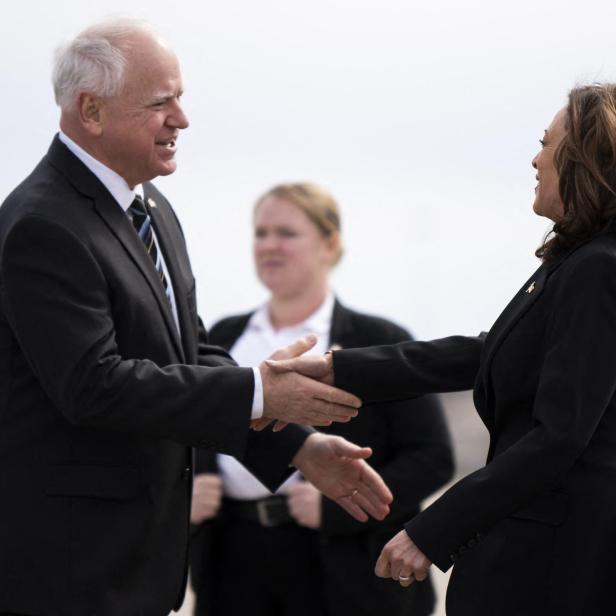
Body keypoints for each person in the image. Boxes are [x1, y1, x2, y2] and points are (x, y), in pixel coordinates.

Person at [0, 20, 393, 616]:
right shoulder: (43, 225)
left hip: (141, 570)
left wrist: (294, 445)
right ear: (91, 110)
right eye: (161, 103)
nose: (182, 119)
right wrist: (260, 392)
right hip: (71, 573)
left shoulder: (152, 208)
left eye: (180, 98)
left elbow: (189, 357)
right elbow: (94, 386)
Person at [270, 84, 616, 616]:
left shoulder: (598, 269)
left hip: (557, 569)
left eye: (547, 144)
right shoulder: (577, 263)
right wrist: (341, 369)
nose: (535, 157)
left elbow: (559, 437)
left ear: (585, 159)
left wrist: (432, 531)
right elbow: (490, 352)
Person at [189, 182, 454, 616]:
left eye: (286, 233)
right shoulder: (222, 338)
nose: (269, 245)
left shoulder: (379, 342)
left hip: (344, 568)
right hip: (231, 557)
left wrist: (337, 510)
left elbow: (432, 458)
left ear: (329, 244)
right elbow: (190, 426)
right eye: (261, 233)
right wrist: (189, 498)